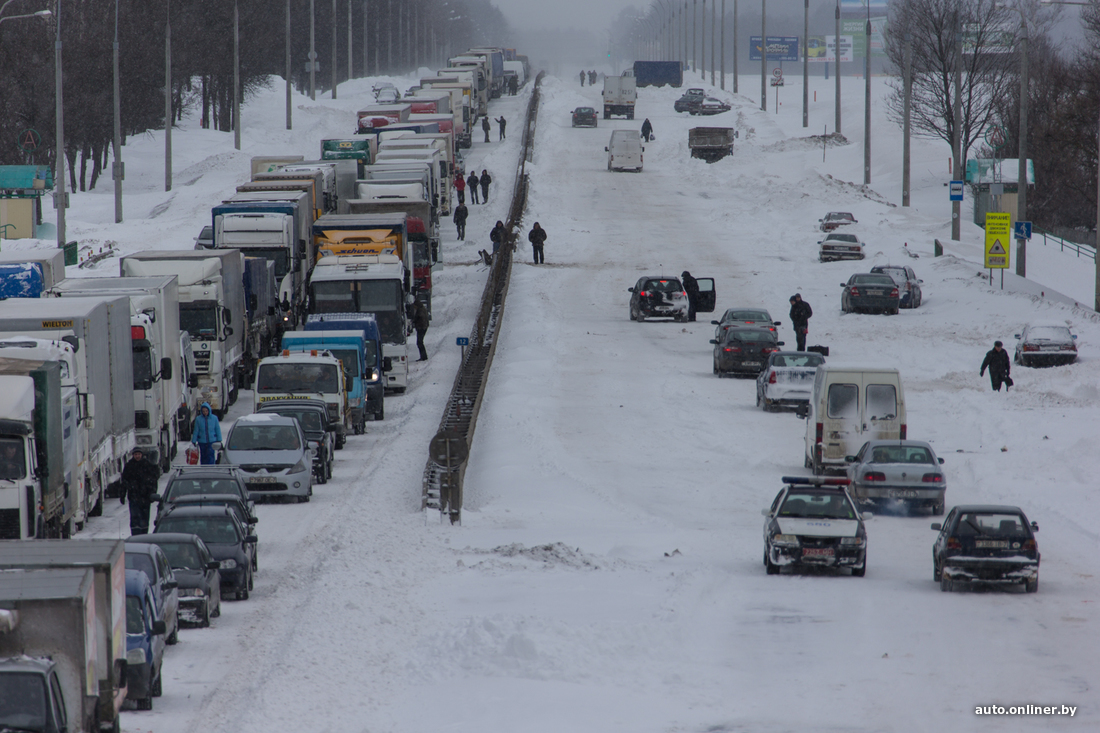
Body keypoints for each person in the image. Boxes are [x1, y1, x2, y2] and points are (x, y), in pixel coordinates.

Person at [120, 448, 159, 536]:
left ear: (142, 455)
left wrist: (152, 493)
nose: (137, 456)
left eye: (139, 454)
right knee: (134, 517)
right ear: (133, 455)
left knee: (144, 517)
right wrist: (122, 495)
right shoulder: (129, 466)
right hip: (134, 497)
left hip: (145, 497)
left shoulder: (147, 465)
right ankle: (135, 534)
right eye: (135, 454)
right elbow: (124, 481)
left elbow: (154, 480)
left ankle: (144, 534)